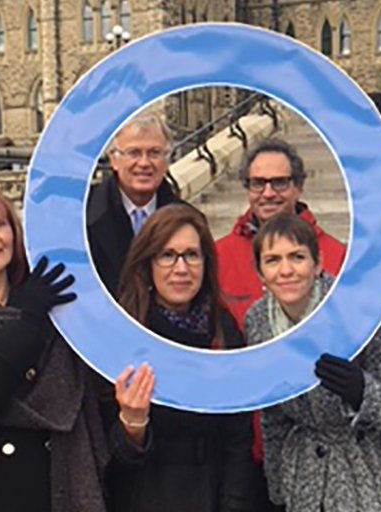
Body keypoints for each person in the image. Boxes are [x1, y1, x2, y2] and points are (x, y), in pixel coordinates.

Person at [0, 179, 153, 512]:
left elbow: (92, 401)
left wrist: (133, 424)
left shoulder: (57, 303)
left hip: (55, 488)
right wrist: (28, 320)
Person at [246, 213, 381, 512]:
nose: (285, 270)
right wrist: (278, 489)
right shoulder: (258, 322)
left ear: (318, 263)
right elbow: (274, 415)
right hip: (308, 482)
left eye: (297, 257)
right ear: (260, 273)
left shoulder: (363, 313)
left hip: (380, 476)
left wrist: (362, 392)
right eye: (273, 260)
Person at [109, 203, 261, 512]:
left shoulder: (223, 328)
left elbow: (238, 436)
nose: (181, 269)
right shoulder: (121, 334)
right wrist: (132, 426)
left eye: (192, 255)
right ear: (147, 264)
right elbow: (107, 454)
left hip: (214, 493)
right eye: (167, 256)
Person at [216, 138, 346, 325]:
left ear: (298, 187)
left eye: (279, 182)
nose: (268, 193)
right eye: (258, 183)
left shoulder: (337, 255)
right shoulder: (219, 256)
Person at [87, 113, 181, 295]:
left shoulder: (190, 219)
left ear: (167, 160)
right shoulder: (80, 215)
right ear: (114, 159)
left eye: (154, 153)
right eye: (134, 153)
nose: (144, 163)